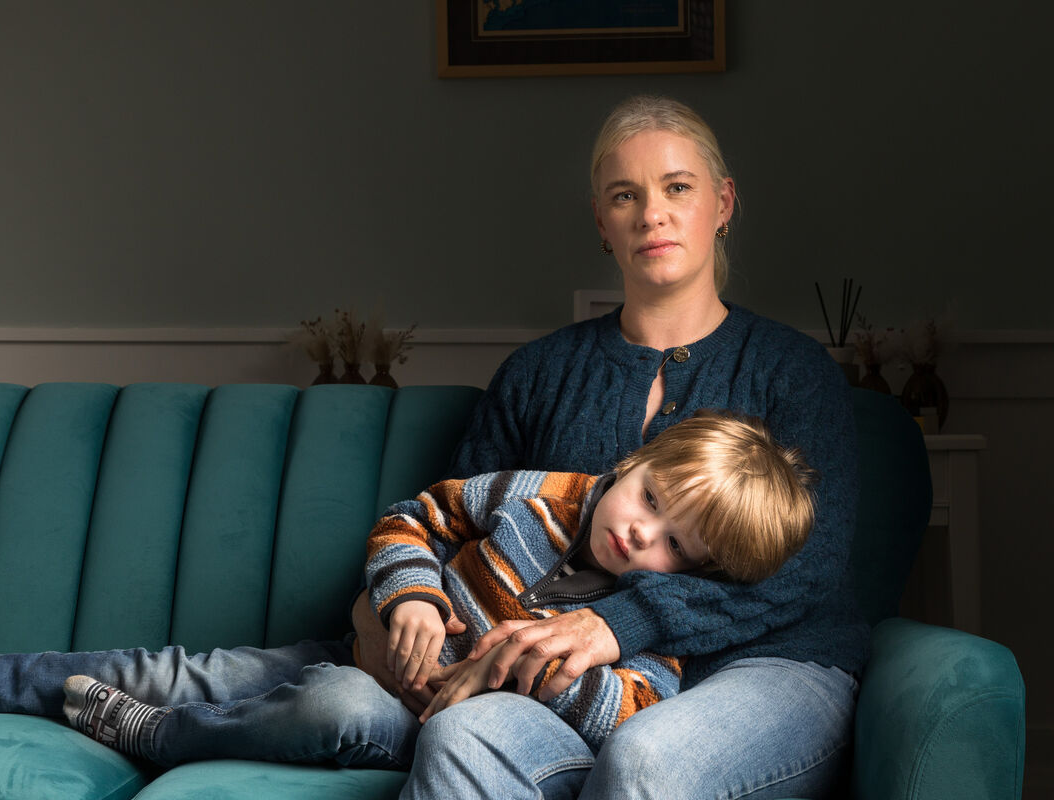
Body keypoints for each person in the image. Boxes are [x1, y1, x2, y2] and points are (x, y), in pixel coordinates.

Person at [365, 94, 872, 800]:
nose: (651, 213)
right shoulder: (538, 371)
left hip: (771, 666)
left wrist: (622, 622)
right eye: (624, 196)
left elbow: (811, 569)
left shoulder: (795, 373)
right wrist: (404, 611)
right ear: (603, 223)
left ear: (723, 203)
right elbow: (457, 526)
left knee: (647, 762)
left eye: (677, 188)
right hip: (578, 687)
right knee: (458, 738)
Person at [0, 410, 815, 771]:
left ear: (696, 576)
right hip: (356, 644)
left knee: (337, 706)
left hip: (404, 720)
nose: (640, 534)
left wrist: (551, 674)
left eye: (674, 546)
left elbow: (628, 707)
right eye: (651, 502)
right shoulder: (538, 494)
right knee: (183, 667)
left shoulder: (643, 633)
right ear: (633, 465)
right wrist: (411, 598)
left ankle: (167, 741)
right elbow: (417, 519)